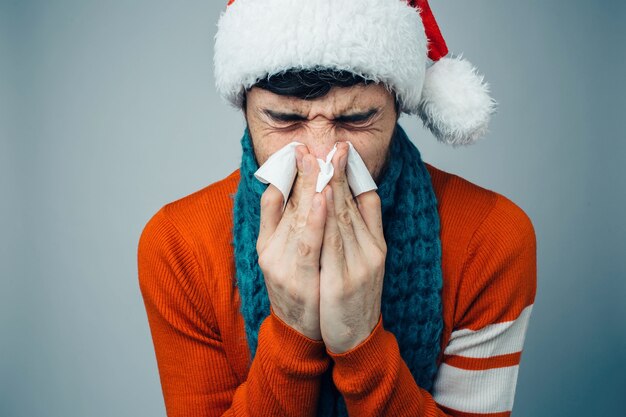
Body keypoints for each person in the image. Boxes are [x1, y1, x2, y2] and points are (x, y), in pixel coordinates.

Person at [137, 1, 537, 416]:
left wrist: (360, 342)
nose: (324, 156)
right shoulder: (178, 245)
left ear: (398, 107)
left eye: (358, 118)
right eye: (284, 119)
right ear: (245, 109)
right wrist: (292, 332)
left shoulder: (490, 239)